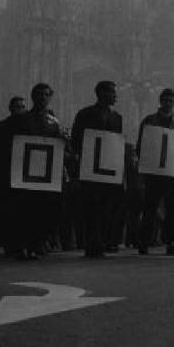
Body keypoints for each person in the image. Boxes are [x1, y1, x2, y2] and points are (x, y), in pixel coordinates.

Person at [13, 83, 65, 259]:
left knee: (44, 209)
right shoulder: (22, 119)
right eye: (39, 94)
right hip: (25, 171)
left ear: (50, 97)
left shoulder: (54, 123)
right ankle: (23, 244)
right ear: (33, 97)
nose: (42, 98)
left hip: (46, 173)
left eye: (46, 94)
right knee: (25, 208)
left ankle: (38, 243)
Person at [71, 81, 123, 258]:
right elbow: (77, 139)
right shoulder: (85, 114)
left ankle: (102, 240)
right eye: (113, 93)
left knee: (107, 206)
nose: (116, 96)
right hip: (90, 168)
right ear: (101, 93)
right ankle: (92, 241)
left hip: (109, 168)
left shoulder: (117, 117)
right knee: (91, 205)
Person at [137, 88, 174, 256]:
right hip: (153, 173)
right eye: (165, 100)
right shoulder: (149, 121)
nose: (167, 103)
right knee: (150, 208)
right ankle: (144, 242)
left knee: (173, 210)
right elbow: (141, 146)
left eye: (170, 101)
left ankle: (172, 242)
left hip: (171, 174)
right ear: (160, 101)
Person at [0, 96, 27, 254]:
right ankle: (7, 243)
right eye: (17, 106)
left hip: (22, 173)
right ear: (10, 108)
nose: (19, 109)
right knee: (6, 210)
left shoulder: (27, 126)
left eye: (22, 107)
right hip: (4, 172)